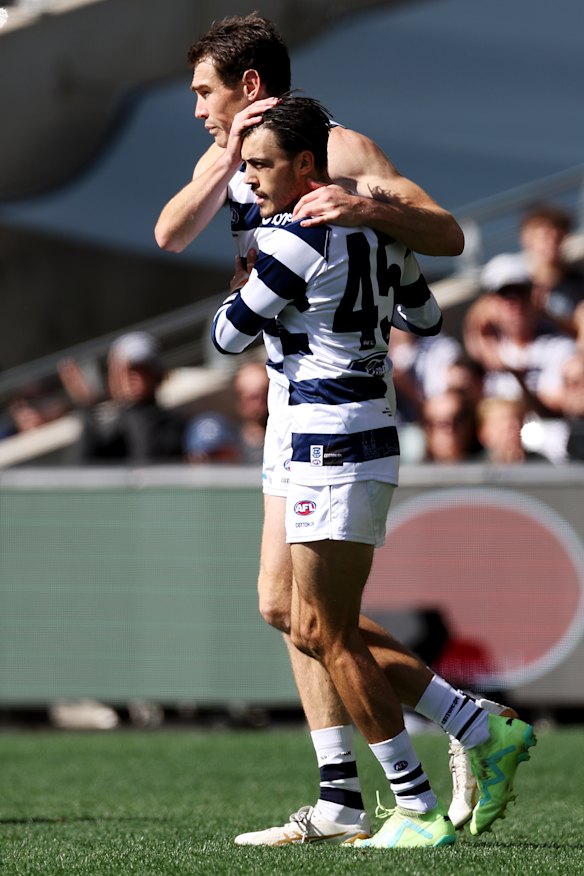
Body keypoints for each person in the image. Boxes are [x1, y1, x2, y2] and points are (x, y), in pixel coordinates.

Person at [152, 14, 513, 845]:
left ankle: (458, 737)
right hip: (291, 403)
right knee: (284, 608)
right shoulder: (233, 156)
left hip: (335, 405)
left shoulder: (339, 150)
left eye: (206, 91)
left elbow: (447, 233)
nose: (199, 109)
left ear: (249, 84)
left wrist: (364, 205)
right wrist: (222, 166)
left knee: (315, 618)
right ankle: (349, 796)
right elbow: (171, 233)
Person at [464, 260, 578, 419]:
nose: (514, 303)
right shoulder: (486, 350)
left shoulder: (559, 347)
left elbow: (557, 405)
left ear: (532, 297)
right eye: (505, 295)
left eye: (521, 293)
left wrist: (514, 373)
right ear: (491, 302)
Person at [59, 331, 185, 464]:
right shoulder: (105, 427)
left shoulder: (173, 424)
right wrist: (87, 407)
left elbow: (145, 465)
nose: (130, 377)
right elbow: (78, 471)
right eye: (122, 370)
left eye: (139, 369)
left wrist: (132, 406)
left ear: (155, 374)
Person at [476, 397, 547, 464]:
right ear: (483, 432)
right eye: (501, 421)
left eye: (517, 419)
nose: (512, 426)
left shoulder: (539, 464)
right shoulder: (472, 468)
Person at [422, 391, 481, 463]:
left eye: (458, 420)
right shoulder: (412, 471)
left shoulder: (490, 468)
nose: (450, 429)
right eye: (442, 424)